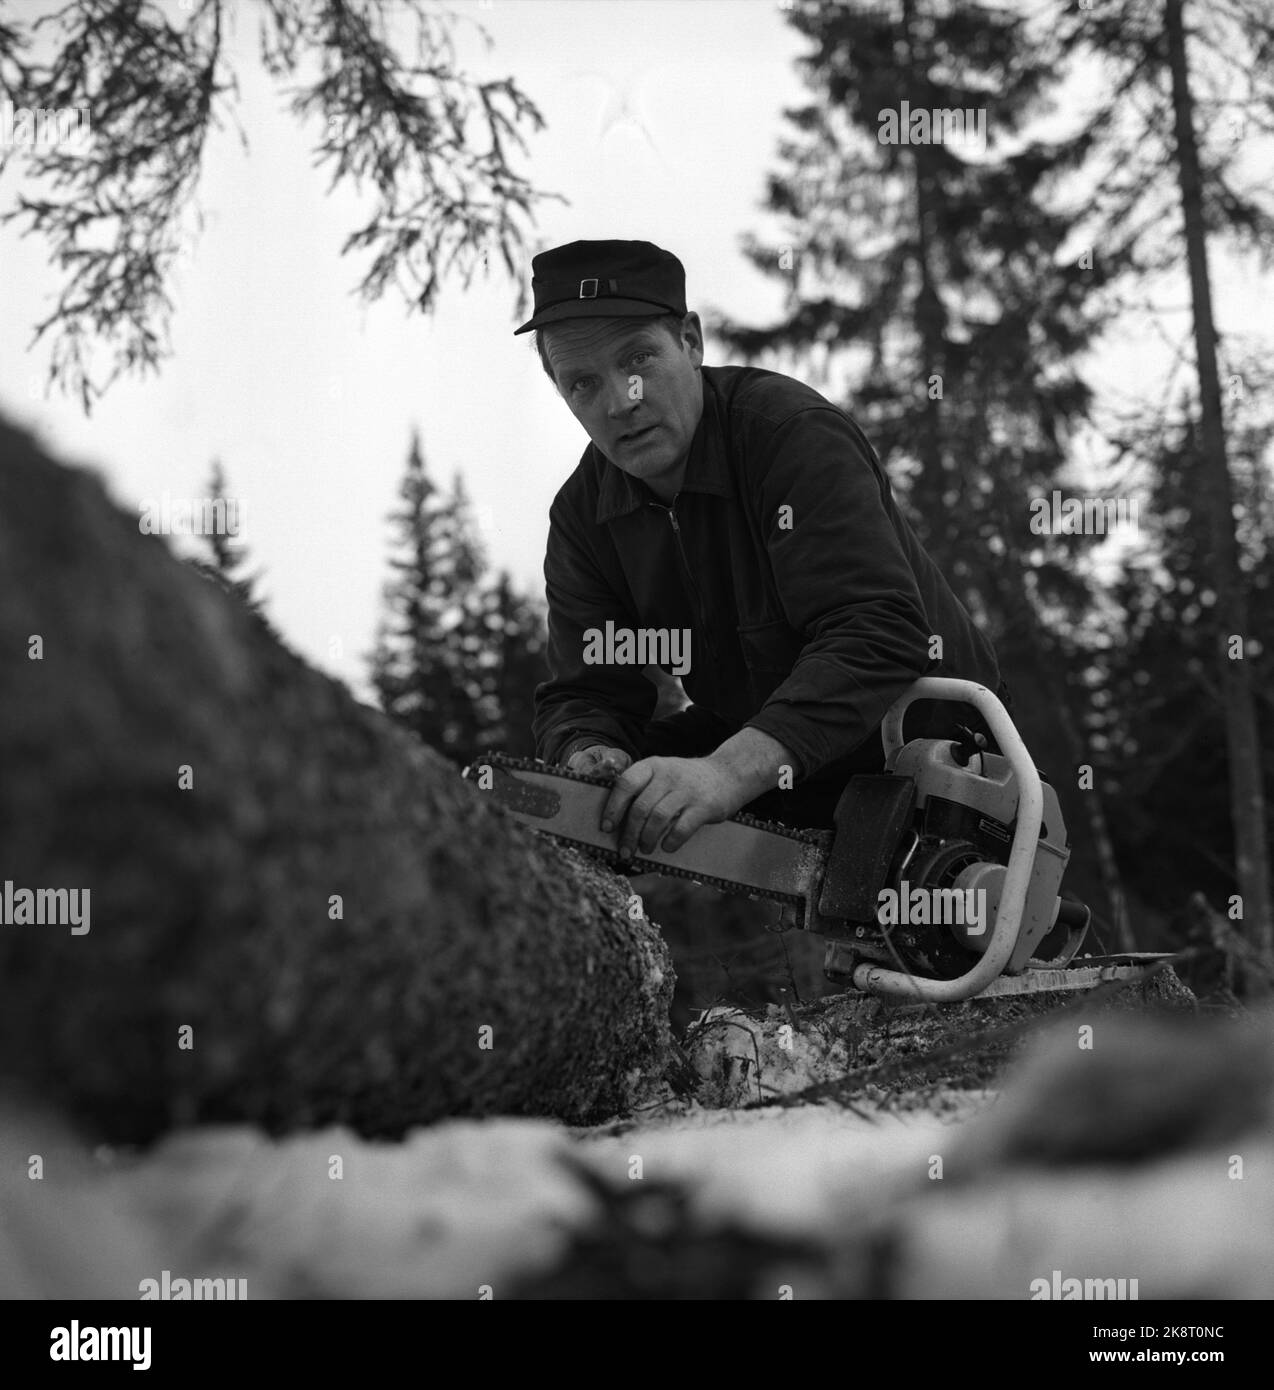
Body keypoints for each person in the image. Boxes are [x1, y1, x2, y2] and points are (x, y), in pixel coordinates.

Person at [517, 239, 1005, 864]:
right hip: (771, 747)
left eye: (637, 358)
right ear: (560, 391)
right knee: (617, 786)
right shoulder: (584, 516)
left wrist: (725, 774)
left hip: (935, 747)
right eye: (583, 382)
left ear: (691, 342)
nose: (620, 401)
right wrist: (587, 753)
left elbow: (878, 632)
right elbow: (585, 690)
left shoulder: (787, 435)